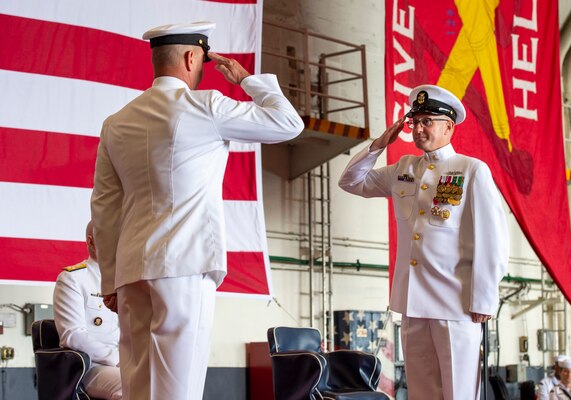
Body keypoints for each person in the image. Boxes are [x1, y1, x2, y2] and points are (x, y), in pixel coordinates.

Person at [91, 21, 303, 400]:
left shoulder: (116, 123)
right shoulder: (205, 105)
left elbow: (105, 206)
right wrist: (246, 80)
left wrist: (109, 278)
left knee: (137, 387)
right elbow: (288, 123)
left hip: (130, 271)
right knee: (179, 389)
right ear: (192, 57)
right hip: (183, 266)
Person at [338, 84, 508, 399]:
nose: (418, 128)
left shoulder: (471, 170)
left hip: (456, 303)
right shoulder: (404, 169)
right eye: (415, 122)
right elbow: (351, 181)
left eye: (427, 121)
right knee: (421, 391)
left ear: (448, 126)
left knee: (457, 391)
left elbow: (493, 237)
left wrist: (484, 298)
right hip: (413, 302)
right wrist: (378, 145)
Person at [53, 221, 121, 400]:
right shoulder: (73, 279)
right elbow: (73, 335)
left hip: (131, 362)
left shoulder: (130, 282)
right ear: (91, 242)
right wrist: (117, 358)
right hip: (92, 366)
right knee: (132, 386)